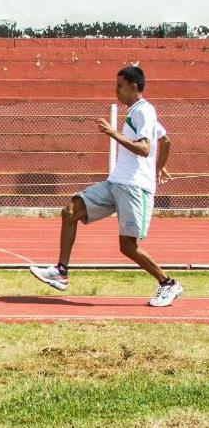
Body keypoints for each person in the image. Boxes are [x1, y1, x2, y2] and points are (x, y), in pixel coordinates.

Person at [29, 66, 182, 307]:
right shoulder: (139, 111)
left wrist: (112, 133)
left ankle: (168, 284)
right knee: (71, 210)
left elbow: (144, 148)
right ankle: (61, 271)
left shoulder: (144, 111)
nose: (116, 91)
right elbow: (166, 140)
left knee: (128, 247)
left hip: (134, 188)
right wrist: (160, 167)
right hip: (116, 183)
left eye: (119, 86)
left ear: (133, 86)